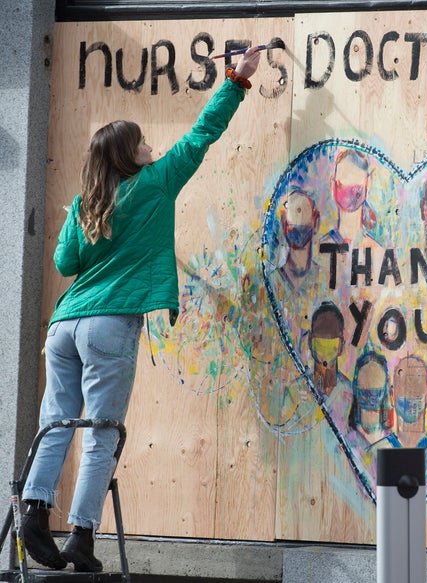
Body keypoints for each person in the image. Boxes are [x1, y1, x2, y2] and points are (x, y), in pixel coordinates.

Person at [20, 46, 263, 573]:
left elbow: (65, 261)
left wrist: (83, 218)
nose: (153, 146)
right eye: (144, 142)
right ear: (132, 153)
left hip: (65, 326)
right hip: (110, 324)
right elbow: (202, 134)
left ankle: (34, 511)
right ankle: (81, 537)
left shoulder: (87, 204)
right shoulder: (155, 183)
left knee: (57, 422)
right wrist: (236, 80)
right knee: (102, 430)